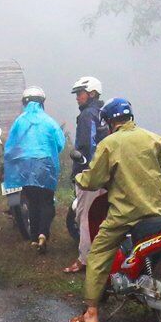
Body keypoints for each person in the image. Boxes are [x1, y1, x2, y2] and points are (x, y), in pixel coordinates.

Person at [68, 97, 161, 322]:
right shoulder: (153, 138)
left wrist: (79, 177)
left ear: (110, 122)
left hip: (124, 214)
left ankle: (90, 312)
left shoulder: (109, 144)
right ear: (130, 117)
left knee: (98, 253)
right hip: (156, 210)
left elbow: (94, 180)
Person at [3, 85, 67, 251]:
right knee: (46, 200)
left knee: (32, 200)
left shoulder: (19, 121)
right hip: (45, 164)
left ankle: (33, 237)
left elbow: (11, 145)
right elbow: (59, 144)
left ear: (25, 102)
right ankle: (43, 234)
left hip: (24, 165)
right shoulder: (49, 121)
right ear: (42, 102)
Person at [65, 76, 105, 275]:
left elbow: (86, 146)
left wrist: (84, 169)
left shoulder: (87, 115)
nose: (77, 98)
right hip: (107, 173)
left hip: (88, 175)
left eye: (80, 94)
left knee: (84, 216)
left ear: (91, 93)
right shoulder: (104, 114)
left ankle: (84, 260)